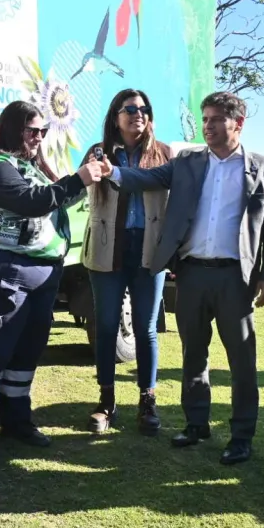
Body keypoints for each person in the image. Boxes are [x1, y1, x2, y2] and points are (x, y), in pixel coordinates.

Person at [99, 90, 264, 464]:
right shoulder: (187, 162)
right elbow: (148, 178)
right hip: (191, 273)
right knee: (193, 355)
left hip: (235, 278)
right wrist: (113, 172)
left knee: (241, 361)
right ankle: (196, 424)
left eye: (216, 119)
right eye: (205, 119)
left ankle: (241, 435)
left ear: (238, 123)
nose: (208, 126)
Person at [0, 100, 104, 468]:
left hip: (42, 274)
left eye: (43, 131)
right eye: (31, 130)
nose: (38, 137)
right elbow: (31, 201)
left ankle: (16, 421)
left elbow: (55, 201)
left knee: (26, 354)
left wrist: (84, 176)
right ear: (12, 128)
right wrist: (78, 178)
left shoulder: (32, 166)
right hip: (3, 271)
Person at [81, 89, 173, 435]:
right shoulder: (99, 152)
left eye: (144, 108)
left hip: (149, 249)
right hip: (108, 248)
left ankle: (147, 401)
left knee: (146, 329)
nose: (139, 114)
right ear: (115, 117)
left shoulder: (163, 153)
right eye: (130, 109)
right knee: (106, 326)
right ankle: (106, 401)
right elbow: (79, 184)